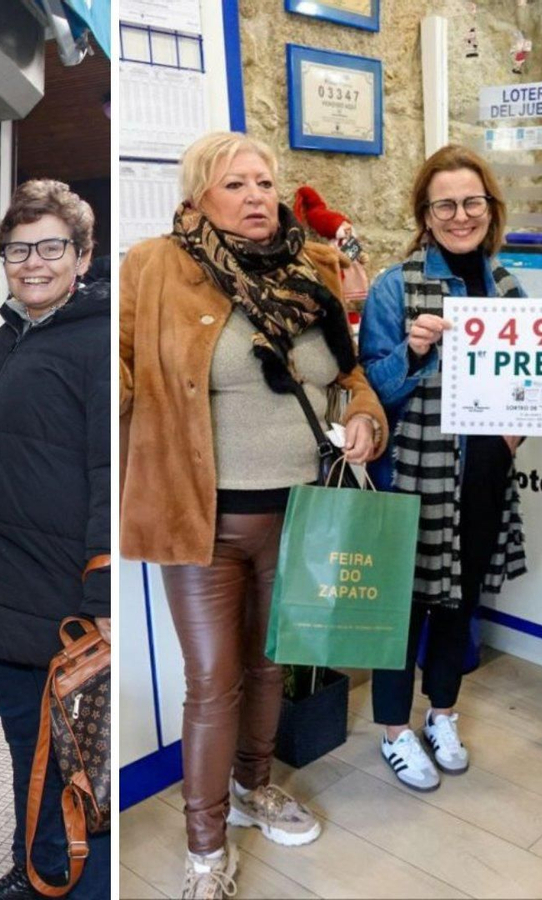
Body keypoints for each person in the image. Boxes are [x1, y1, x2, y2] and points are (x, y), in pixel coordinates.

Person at [120, 132, 386, 899]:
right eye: (235, 184)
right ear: (199, 194)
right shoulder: (156, 267)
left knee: (273, 664)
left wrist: (365, 413)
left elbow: (348, 372)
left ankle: (253, 788)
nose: (255, 196)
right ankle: (204, 846)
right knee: (213, 680)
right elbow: (123, 371)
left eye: (264, 182)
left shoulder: (316, 267)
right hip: (198, 519)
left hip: (301, 512)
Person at [0, 180, 110, 900]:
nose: (33, 262)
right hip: (0, 584)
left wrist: (103, 587)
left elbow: (112, 468)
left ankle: (62, 882)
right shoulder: (10, 336)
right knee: (30, 745)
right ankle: (37, 870)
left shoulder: (98, 338)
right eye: (18, 249)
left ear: (83, 253)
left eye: (51, 247)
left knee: (67, 754)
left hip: (59, 596)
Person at [358, 144, 527, 792]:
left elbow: (529, 381)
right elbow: (374, 389)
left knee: (461, 601)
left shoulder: (506, 283)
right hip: (415, 474)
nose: (461, 215)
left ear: (490, 209)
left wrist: (515, 437)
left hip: (484, 471)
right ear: (426, 215)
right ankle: (396, 732)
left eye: (472, 202)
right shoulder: (394, 286)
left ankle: (443, 714)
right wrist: (414, 348)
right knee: (403, 608)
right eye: (446, 205)